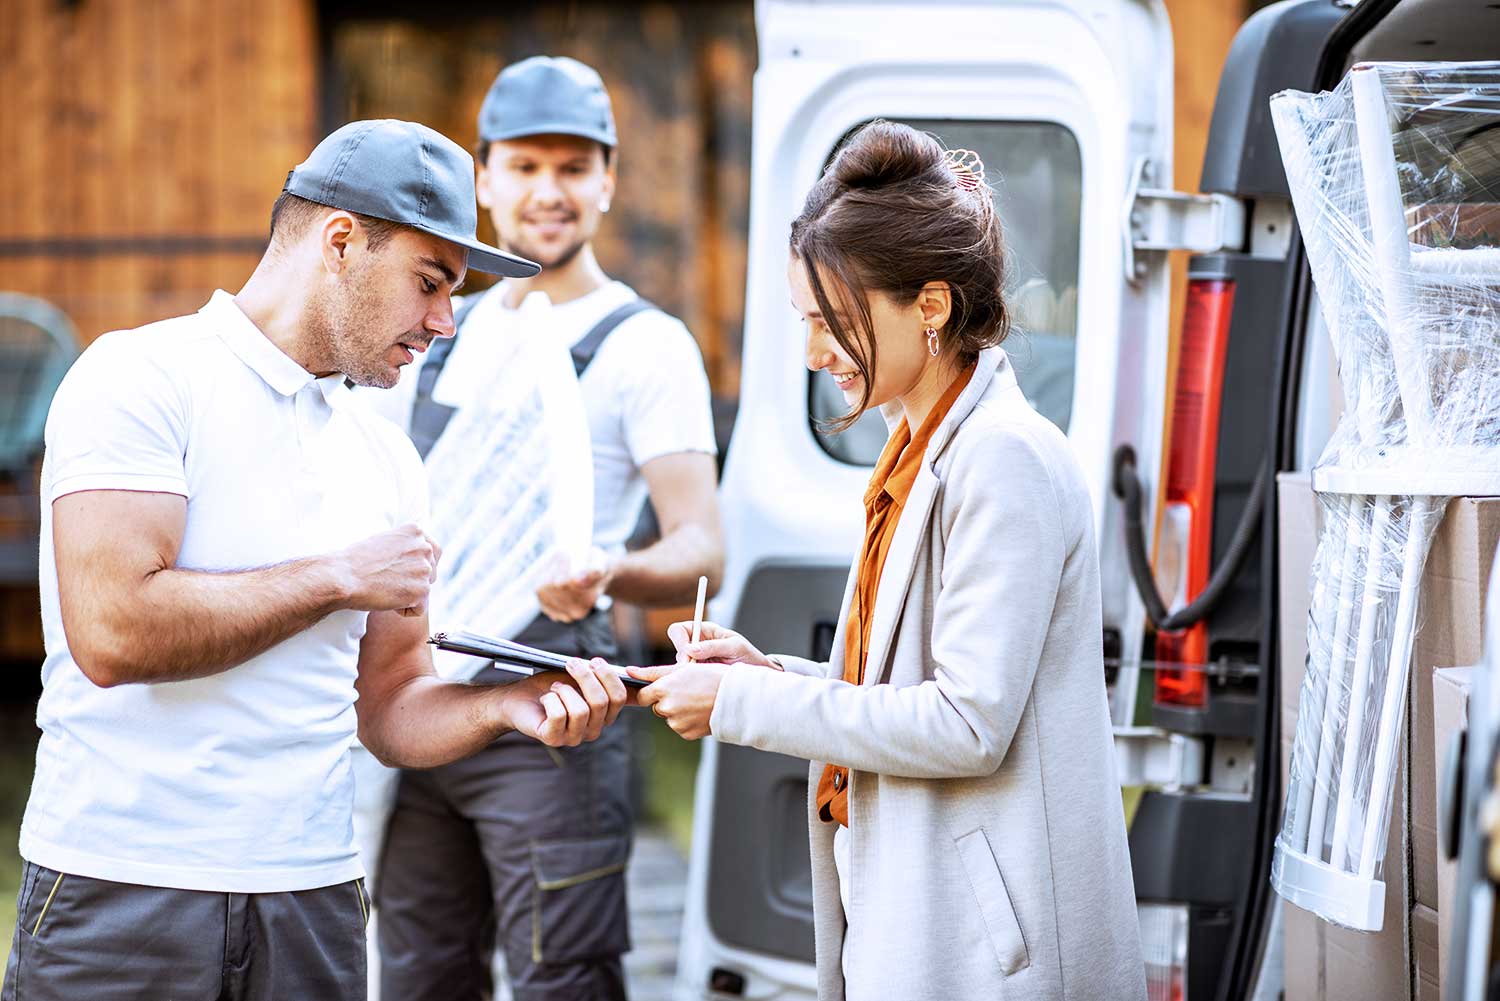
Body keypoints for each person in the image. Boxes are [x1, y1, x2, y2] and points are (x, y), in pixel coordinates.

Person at [1, 119, 631, 1001]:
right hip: (117, 889)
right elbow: (114, 632)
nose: (445, 321)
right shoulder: (139, 378)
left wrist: (508, 706)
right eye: (429, 282)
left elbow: (391, 705)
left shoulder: (388, 461)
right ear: (341, 240)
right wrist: (337, 578)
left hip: (313, 899)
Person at [632, 121, 1146, 1001]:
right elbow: (899, 678)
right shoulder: (917, 444)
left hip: (995, 949)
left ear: (931, 307)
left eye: (832, 321)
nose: (813, 351)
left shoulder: (1003, 457)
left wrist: (743, 702)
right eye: (804, 321)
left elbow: (967, 722)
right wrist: (765, 668)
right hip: (923, 908)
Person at [371, 57, 723, 1001]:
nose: (548, 192)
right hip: (422, 701)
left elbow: (702, 546)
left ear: (608, 180)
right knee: (414, 980)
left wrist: (605, 569)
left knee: (561, 979)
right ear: (484, 180)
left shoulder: (644, 343)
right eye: (524, 167)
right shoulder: (439, 329)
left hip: (556, 706)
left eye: (573, 167)